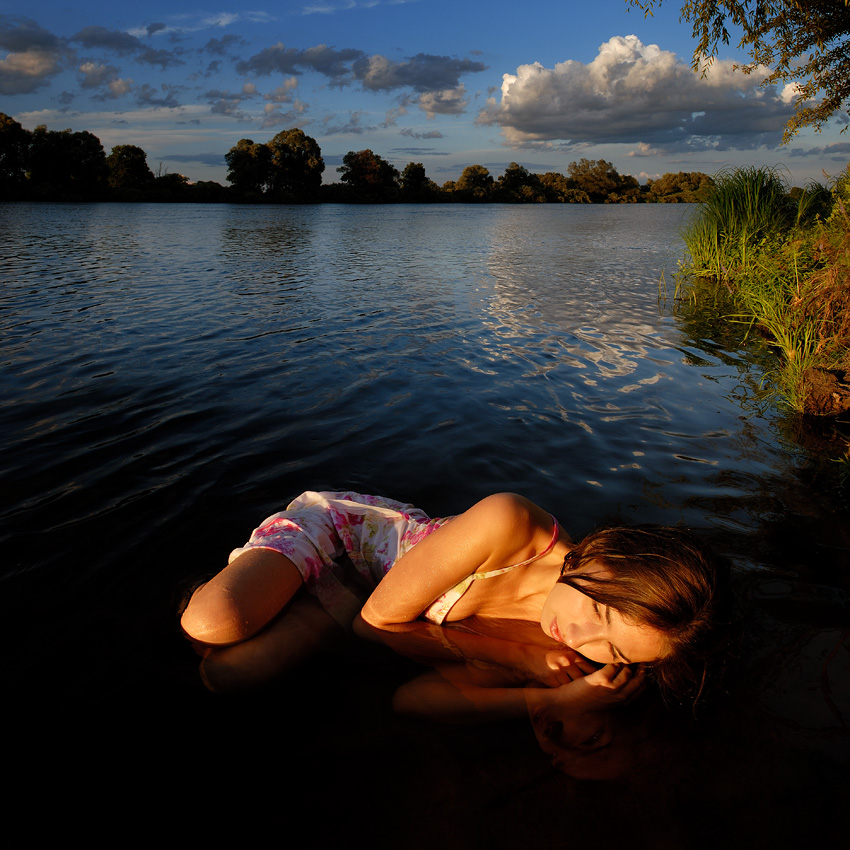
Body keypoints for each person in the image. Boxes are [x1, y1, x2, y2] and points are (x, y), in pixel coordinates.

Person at [180, 490, 730, 716]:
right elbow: (378, 622)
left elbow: (411, 700)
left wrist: (552, 701)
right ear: (605, 561)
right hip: (342, 538)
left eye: (616, 652)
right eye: (603, 614)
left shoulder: (567, 646)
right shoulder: (512, 524)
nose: (582, 640)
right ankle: (264, 580)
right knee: (210, 624)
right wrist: (516, 660)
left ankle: (310, 617)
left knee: (226, 680)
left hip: (355, 606)